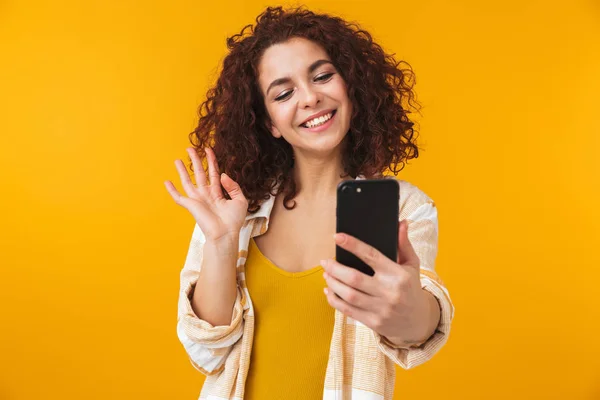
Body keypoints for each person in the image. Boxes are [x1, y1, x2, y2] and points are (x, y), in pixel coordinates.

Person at [164, 5, 455, 400]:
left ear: (351, 85)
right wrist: (220, 241)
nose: (311, 98)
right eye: (283, 93)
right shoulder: (235, 211)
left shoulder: (402, 209)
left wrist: (409, 309)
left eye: (322, 76)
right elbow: (207, 353)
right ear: (269, 123)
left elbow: (417, 330)